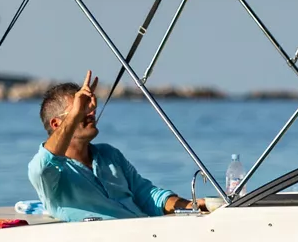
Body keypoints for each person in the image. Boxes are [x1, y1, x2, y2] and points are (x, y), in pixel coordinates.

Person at [30, 73, 197, 220]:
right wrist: (75, 114)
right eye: (81, 109)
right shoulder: (50, 173)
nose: (91, 113)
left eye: (89, 107)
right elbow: (42, 166)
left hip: (144, 232)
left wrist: (191, 206)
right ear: (56, 124)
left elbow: (146, 195)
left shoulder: (109, 154)